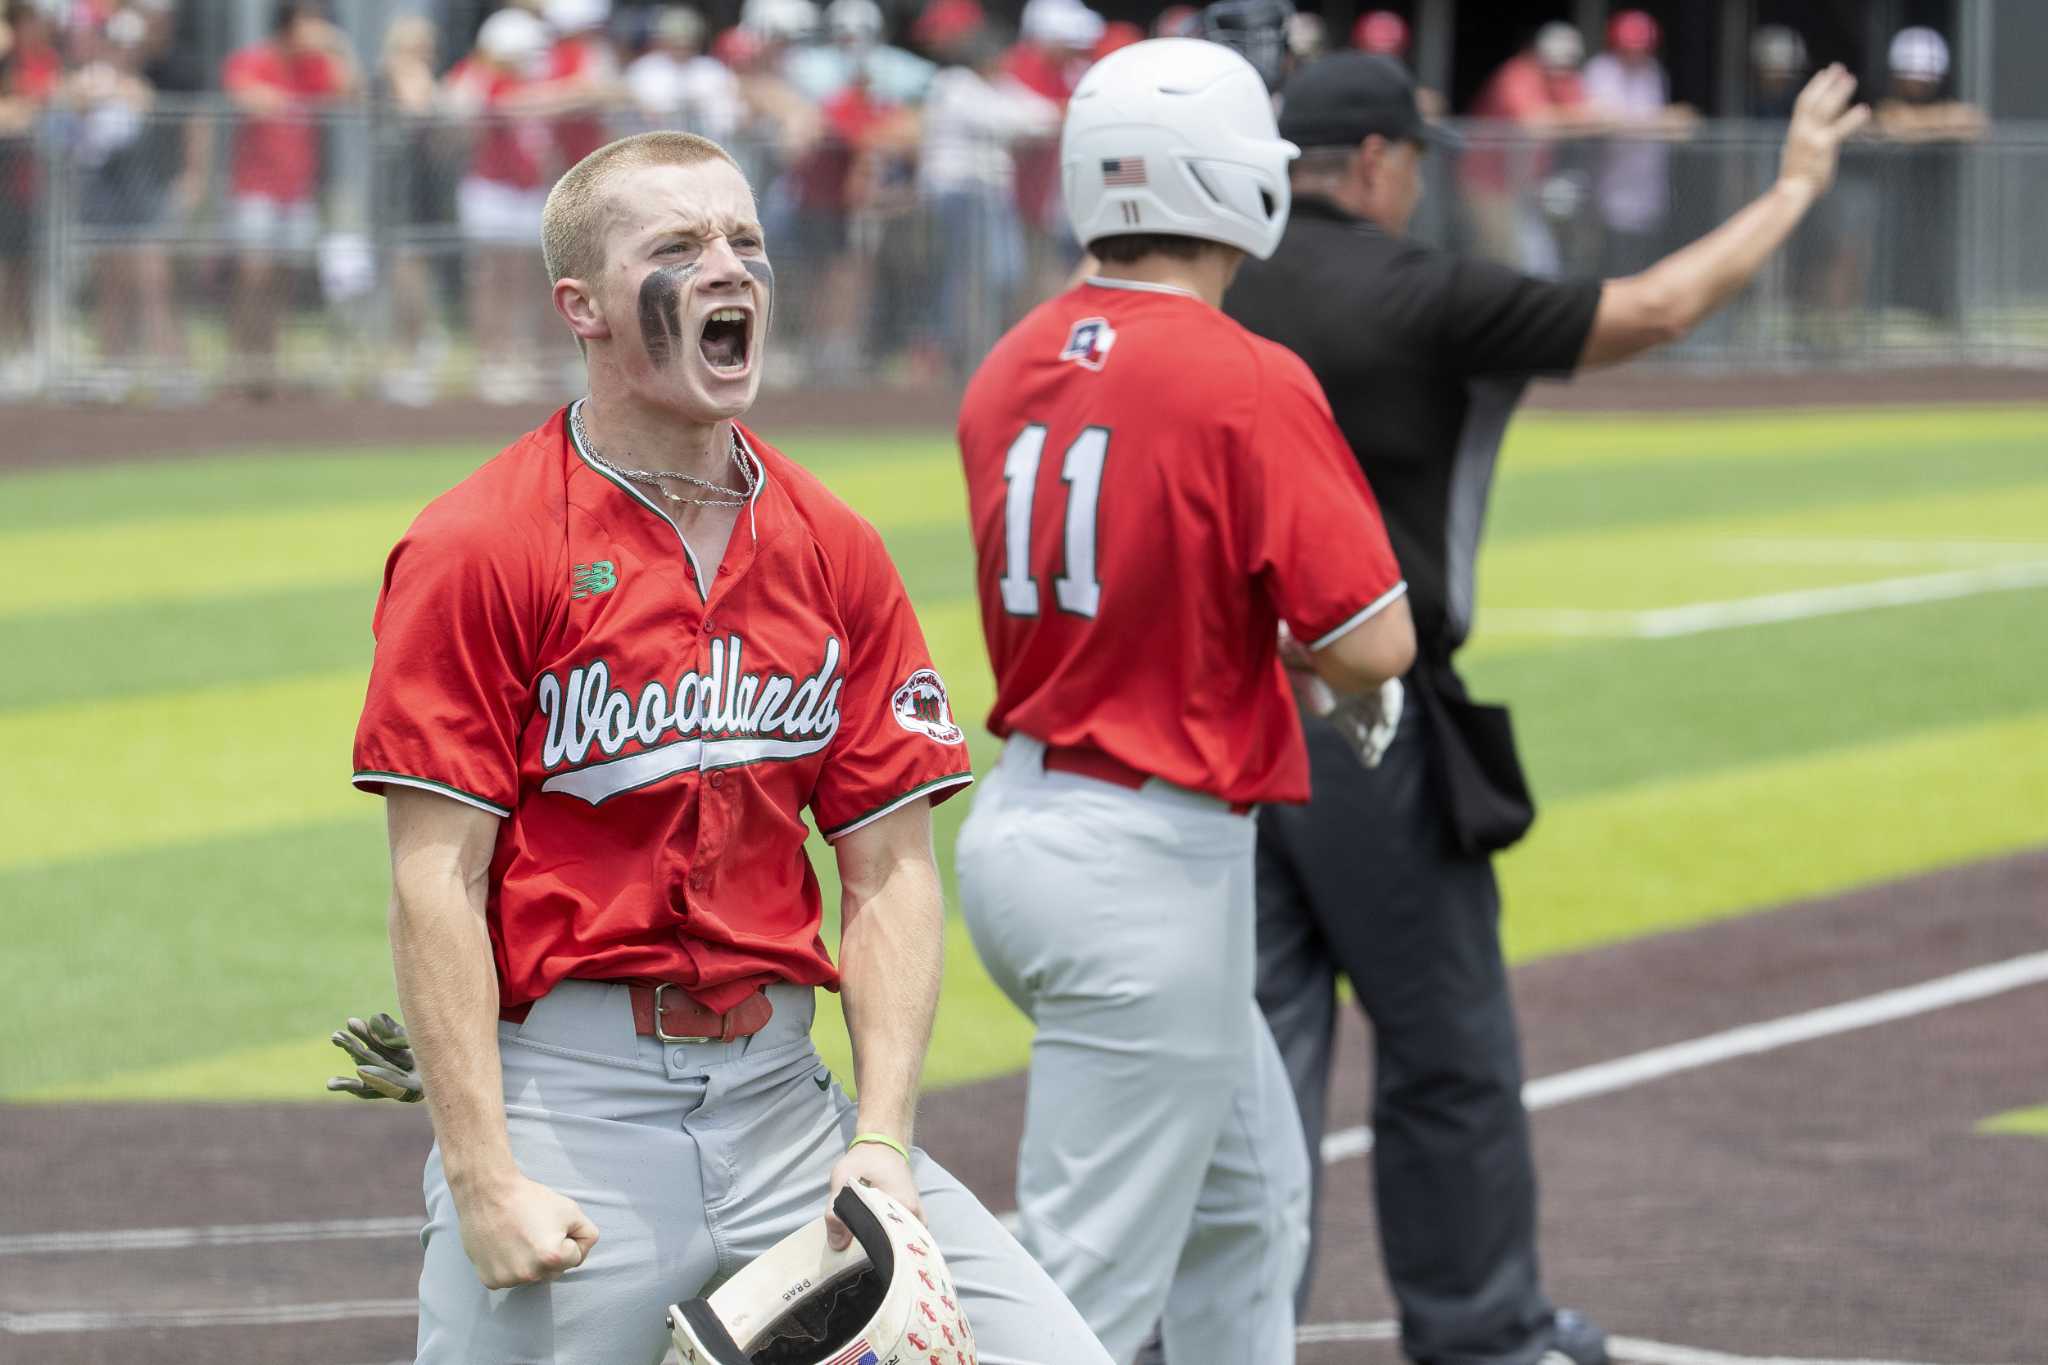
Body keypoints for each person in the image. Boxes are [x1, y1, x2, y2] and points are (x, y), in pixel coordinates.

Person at [347, 126, 1114, 1365]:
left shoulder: (831, 543)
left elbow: (889, 867)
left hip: (786, 1106)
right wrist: (483, 1172)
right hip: (572, 1113)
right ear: (580, 306)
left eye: (745, 240)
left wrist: (879, 1137)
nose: (728, 266)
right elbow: (437, 878)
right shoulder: (479, 544)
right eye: (679, 244)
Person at [1219, 51, 1871, 1365]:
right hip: (1368, 713)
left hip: (1219, 720)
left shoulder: (1222, 284)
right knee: (1447, 1042)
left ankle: (1223, 1335)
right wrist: (1797, 184)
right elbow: (1658, 305)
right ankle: (1481, 1326)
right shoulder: (1417, 289)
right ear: (1380, 163)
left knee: (1257, 1066)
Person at [954, 37, 1416, 1365]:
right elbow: (1374, 642)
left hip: (1041, 821)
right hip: (1143, 863)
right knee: (1070, 1300)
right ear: (1235, 183)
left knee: (1249, 1209)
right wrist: (1304, 661)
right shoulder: (1246, 373)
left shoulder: (1010, 362)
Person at [219, 0, 358, 393]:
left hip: (297, 191)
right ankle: (243, 363)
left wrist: (337, 46)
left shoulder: (314, 67)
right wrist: (283, 101)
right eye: (308, 20)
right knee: (254, 274)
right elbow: (242, 93)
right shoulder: (256, 59)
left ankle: (269, 365)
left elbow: (350, 90)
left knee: (283, 277)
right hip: (256, 188)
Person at [915, 23, 1058, 376]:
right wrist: (1052, 116)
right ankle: (957, 356)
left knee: (1001, 274)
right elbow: (1010, 121)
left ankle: (976, 350)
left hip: (986, 198)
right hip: (961, 196)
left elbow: (1037, 111)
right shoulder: (955, 85)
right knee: (968, 278)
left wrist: (1055, 112)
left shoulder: (992, 87)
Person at [1463, 21, 1606, 276]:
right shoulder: (1516, 74)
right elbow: (1534, 123)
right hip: (1489, 184)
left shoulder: (1562, 78)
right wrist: (1574, 117)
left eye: (1567, 65)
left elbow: (1596, 115)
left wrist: (1571, 116)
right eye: (1555, 64)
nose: (1561, 73)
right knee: (1502, 256)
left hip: (1527, 186)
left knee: (1540, 262)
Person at [1580, 9, 1696, 277]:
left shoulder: (1654, 72)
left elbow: (1672, 123)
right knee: (1612, 266)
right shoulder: (1601, 70)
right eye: (1628, 47)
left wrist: (1662, 123)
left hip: (1648, 185)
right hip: (1609, 187)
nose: (1635, 54)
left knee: (1644, 265)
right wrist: (1661, 122)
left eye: (1641, 47)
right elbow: (1602, 121)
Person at [624, 4, 743, 142]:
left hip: (706, 147)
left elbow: (731, 113)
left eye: (687, 41)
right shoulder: (644, 69)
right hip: (656, 149)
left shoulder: (712, 70)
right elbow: (631, 110)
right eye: (676, 41)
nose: (682, 47)